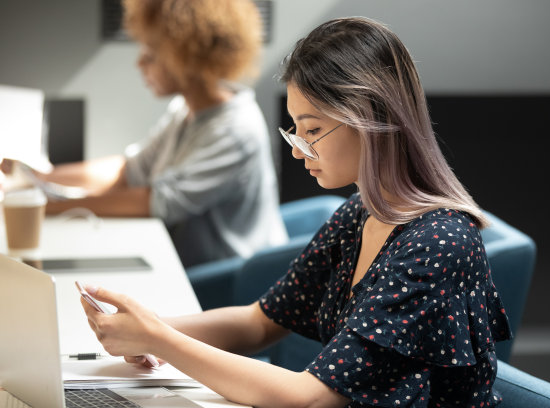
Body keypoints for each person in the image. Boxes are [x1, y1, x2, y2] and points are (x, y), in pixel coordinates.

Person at [79, 17, 512, 407]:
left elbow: (308, 397)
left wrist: (161, 340)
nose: (300, 150)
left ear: (369, 117)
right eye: (296, 130)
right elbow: (259, 322)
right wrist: (146, 328)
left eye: (314, 130)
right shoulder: (359, 214)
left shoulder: (438, 245)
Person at [1, 0, 287, 268]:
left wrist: (43, 207)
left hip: (225, 277)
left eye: (150, 54)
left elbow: (158, 202)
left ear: (188, 58)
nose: (139, 63)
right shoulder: (186, 110)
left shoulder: (235, 130)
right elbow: (130, 170)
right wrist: (39, 176)